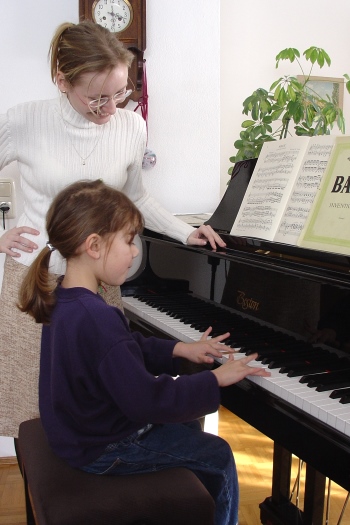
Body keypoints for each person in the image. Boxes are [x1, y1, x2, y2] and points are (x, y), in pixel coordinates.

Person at [0, 20, 225, 438]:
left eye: (118, 94)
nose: (109, 108)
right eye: (97, 97)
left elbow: (136, 196)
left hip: (99, 285)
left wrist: (184, 231)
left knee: (108, 408)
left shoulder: (131, 127)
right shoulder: (23, 120)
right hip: (36, 285)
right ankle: (50, 500)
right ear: (61, 80)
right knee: (31, 418)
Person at [18, 179, 270, 525]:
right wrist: (214, 379)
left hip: (76, 434)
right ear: (94, 245)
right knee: (219, 454)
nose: (135, 251)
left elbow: (124, 350)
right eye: (129, 240)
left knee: (188, 427)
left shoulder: (67, 298)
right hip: (103, 447)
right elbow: (148, 400)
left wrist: (180, 348)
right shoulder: (97, 317)